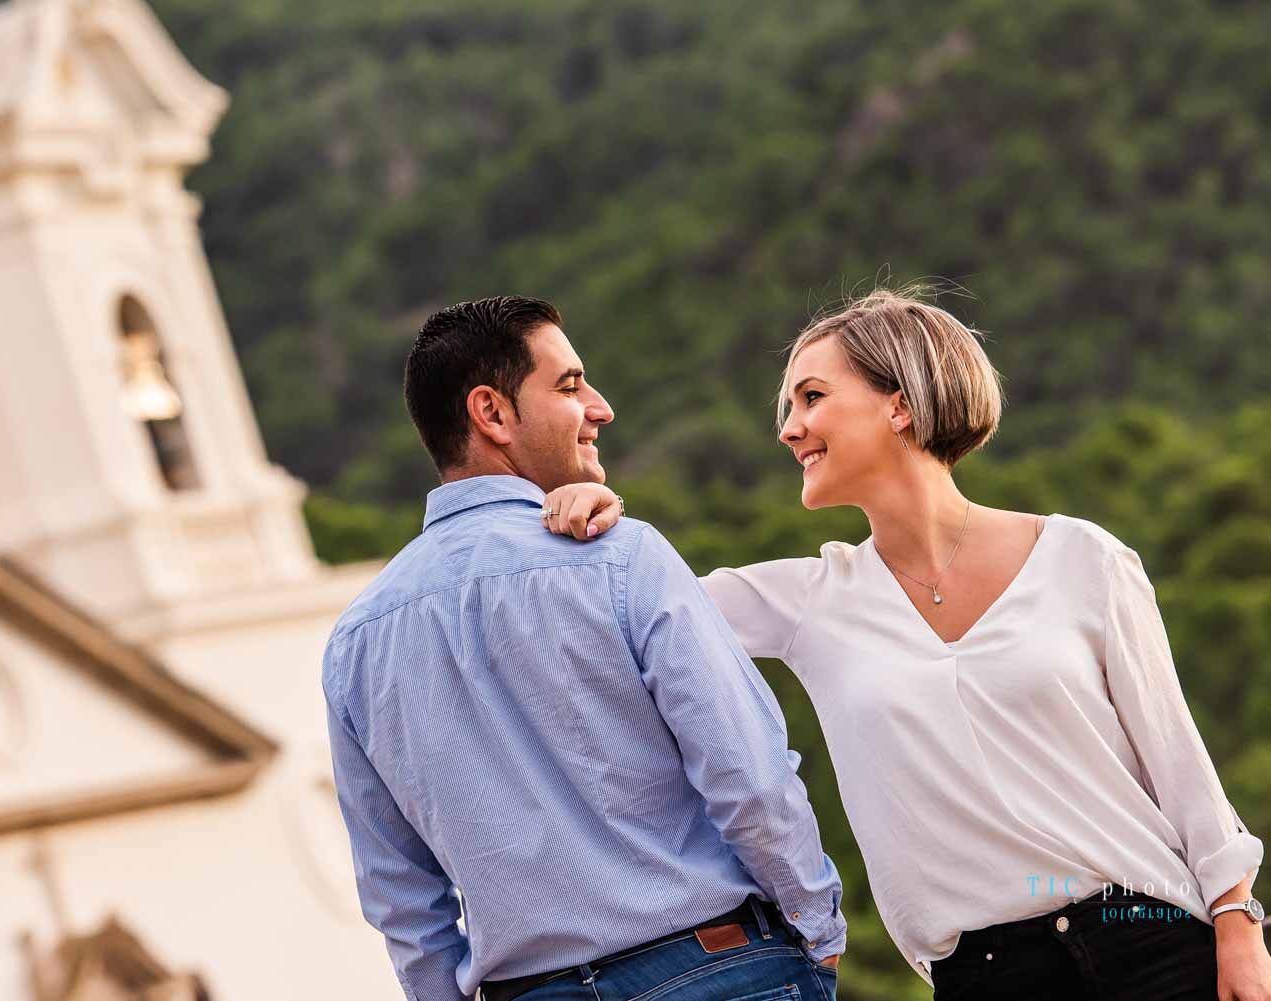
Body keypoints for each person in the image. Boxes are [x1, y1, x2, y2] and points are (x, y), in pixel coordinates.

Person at [540, 288, 1271, 1001]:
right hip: (985, 972)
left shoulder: (1085, 558)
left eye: (812, 397)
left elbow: (1181, 764)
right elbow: (623, 612)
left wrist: (1239, 925)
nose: (789, 429)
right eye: (790, 407)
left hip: (1155, 938)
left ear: (900, 403)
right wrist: (603, 522)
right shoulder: (807, 600)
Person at [322, 296, 847, 1001]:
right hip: (718, 968)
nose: (600, 407)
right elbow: (748, 776)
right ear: (492, 413)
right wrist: (818, 926)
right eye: (569, 385)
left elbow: (400, 896)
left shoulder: (355, 643)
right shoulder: (624, 559)